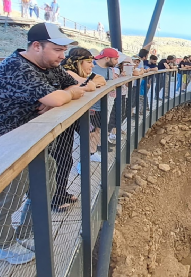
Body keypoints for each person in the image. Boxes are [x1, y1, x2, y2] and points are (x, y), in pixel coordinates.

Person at [0, 23, 85, 264]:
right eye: (57, 49)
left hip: (33, 141)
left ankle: (26, 233)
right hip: (10, 144)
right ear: (37, 46)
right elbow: (65, 93)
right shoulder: (17, 66)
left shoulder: (49, 66)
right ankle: (4, 244)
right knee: (10, 198)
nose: (62, 56)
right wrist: (56, 97)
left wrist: (58, 97)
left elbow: (73, 85)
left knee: (47, 181)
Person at [53, 47, 101, 212]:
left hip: (65, 123)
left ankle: (60, 192)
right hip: (56, 124)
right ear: (79, 62)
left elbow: (97, 82)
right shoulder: (67, 72)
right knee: (58, 161)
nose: (92, 65)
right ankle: (54, 198)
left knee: (65, 160)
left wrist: (86, 85)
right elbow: (89, 86)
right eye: (89, 62)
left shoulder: (69, 73)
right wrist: (85, 85)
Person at [87, 48, 119, 161]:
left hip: (102, 105)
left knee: (99, 128)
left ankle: (95, 150)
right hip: (92, 106)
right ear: (107, 58)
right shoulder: (92, 67)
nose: (117, 61)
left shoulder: (110, 70)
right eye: (115, 59)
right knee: (91, 131)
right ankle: (91, 154)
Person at [107, 53, 129, 143]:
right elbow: (113, 81)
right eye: (126, 63)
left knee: (121, 113)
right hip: (116, 95)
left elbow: (127, 85)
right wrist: (121, 77)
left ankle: (114, 132)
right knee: (115, 115)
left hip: (122, 94)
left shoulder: (123, 71)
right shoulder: (116, 70)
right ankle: (112, 133)